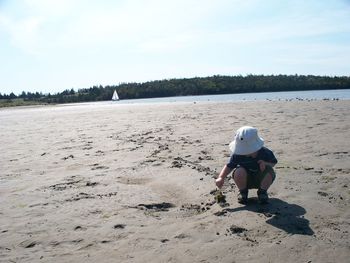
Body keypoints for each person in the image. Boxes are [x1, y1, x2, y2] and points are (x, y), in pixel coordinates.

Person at [215, 126, 277, 204]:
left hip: (261, 178)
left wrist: (266, 163)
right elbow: (229, 166)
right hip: (245, 180)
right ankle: (243, 192)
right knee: (239, 171)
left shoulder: (265, 152)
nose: (244, 152)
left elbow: (273, 163)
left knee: (269, 171)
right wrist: (221, 177)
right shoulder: (238, 154)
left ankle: (262, 192)